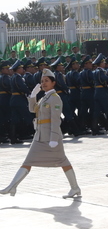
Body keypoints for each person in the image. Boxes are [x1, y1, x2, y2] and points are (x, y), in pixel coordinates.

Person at [0, 69, 81, 199]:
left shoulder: (55, 98)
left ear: (53, 83)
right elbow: (33, 109)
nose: (43, 83)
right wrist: (32, 97)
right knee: (28, 161)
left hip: (51, 136)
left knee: (63, 162)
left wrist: (54, 138)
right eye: (42, 81)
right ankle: (12, 186)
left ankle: (75, 188)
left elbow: (55, 120)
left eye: (47, 81)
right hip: (40, 136)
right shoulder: (44, 98)